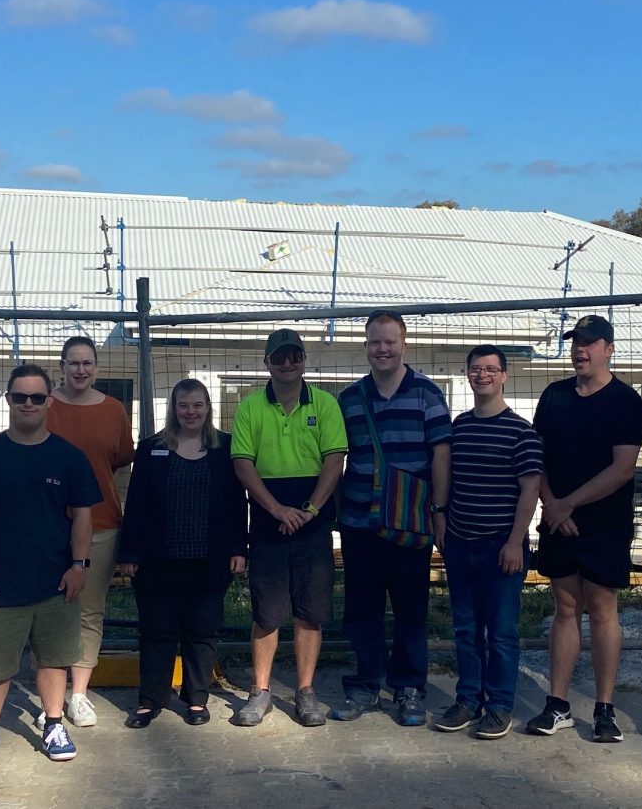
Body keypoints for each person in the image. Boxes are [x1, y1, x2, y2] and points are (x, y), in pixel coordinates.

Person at [0, 364, 102, 769]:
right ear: (9, 400)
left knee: (53, 660)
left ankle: (53, 723)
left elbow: (83, 516)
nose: (29, 403)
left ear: (49, 400)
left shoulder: (69, 457)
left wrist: (79, 565)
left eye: (37, 397)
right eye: (21, 397)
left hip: (56, 582)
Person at [528, 315, 642, 743]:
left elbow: (622, 468)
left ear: (609, 349)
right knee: (564, 608)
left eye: (591, 343)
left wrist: (567, 504)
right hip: (558, 519)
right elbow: (535, 457)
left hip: (604, 524)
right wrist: (551, 505)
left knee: (601, 610)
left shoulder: (625, 401)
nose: (582, 350)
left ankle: (604, 709)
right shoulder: (554, 396)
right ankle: (557, 704)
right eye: (577, 343)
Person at [332, 310, 452, 726]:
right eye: (374, 342)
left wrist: (439, 511)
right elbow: (335, 457)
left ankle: (408, 687)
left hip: (410, 520)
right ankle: (366, 684)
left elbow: (441, 455)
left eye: (389, 342)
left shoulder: (427, 395)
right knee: (360, 609)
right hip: (359, 523)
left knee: (410, 609)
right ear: (365, 346)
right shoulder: (348, 400)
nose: (382, 349)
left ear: (404, 344)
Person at [231, 329, 348, 727]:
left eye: (294, 356)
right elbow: (243, 465)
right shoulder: (249, 408)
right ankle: (260, 691)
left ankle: (305, 691)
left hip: (313, 523)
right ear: (267, 362)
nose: (287, 364)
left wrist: (311, 509)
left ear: (303, 360)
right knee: (266, 612)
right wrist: (278, 509)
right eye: (278, 357)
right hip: (267, 521)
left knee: (309, 611)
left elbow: (334, 461)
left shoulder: (326, 405)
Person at [118, 379, 247, 728]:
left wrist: (238, 547)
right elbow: (137, 505)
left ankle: (196, 698)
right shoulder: (150, 449)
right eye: (183, 405)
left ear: (208, 408)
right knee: (157, 630)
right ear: (173, 409)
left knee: (202, 631)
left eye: (197, 405)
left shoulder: (226, 449)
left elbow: (237, 504)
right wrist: (128, 552)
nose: (191, 412)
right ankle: (150, 700)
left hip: (210, 558)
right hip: (158, 559)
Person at [435, 345, 542, 740]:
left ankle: (498, 706)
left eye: (491, 370)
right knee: (464, 628)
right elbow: (447, 476)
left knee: (500, 632)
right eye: (476, 370)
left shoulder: (522, 432)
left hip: (502, 548)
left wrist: (516, 542)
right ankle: (467, 699)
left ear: (504, 376)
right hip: (460, 543)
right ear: (467, 376)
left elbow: (530, 490)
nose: (483, 376)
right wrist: (441, 516)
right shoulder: (459, 427)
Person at [40, 335, 134, 728]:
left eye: (87, 363)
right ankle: (50, 695)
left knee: (90, 611)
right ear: (61, 366)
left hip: (102, 524)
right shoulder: (43, 406)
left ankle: (78, 695)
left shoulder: (114, 410)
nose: (80, 369)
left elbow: (120, 467)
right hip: (47, 526)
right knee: (48, 611)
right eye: (73, 362)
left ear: (97, 368)